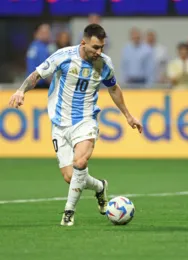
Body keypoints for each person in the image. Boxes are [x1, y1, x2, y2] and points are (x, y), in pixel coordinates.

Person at [8, 24, 143, 226]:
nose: (99, 52)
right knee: (71, 177)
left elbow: (114, 88)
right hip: (59, 123)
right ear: (83, 43)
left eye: (102, 47)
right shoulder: (63, 56)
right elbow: (37, 74)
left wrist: (128, 116)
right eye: (95, 47)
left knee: (80, 163)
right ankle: (99, 187)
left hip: (85, 120)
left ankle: (68, 213)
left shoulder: (104, 64)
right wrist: (20, 91)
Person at [26, 23, 51, 89]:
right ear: (36, 33)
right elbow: (46, 69)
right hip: (40, 85)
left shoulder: (32, 46)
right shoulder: (41, 48)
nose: (47, 35)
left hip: (31, 84)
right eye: (43, 32)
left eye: (48, 32)